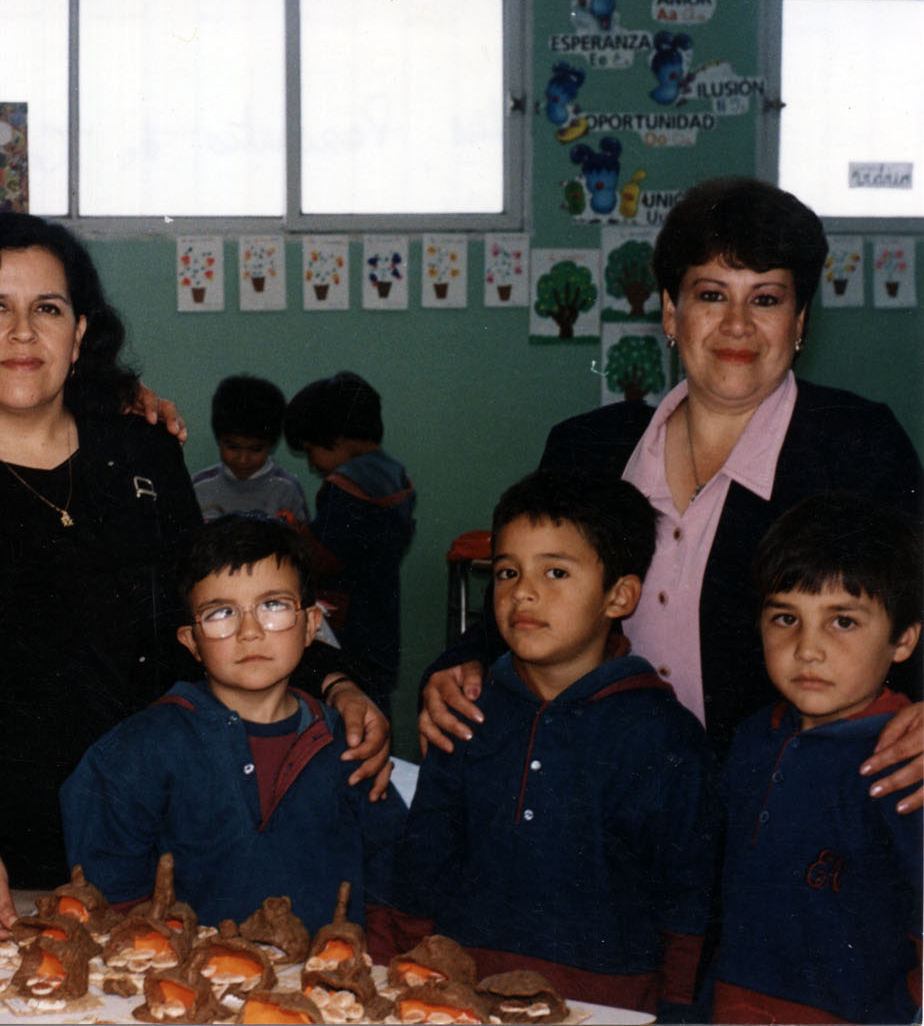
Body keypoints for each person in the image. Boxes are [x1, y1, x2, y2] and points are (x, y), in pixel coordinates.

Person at [0, 212, 391, 1019]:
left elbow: (214, 612)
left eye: (49, 308)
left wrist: (335, 679)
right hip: (3, 867)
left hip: (167, 859)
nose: (23, 331)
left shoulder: (141, 458)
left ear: (80, 332)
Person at [418, 176, 924, 812]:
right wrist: (457, 665)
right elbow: (533, 594)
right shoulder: (589, 449)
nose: (737, 324)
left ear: (799, 322)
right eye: (711, 295)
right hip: (598, 797)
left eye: (765, 299)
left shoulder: (858, 445)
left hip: (788, 807)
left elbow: (913, 605)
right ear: (669, 312)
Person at [396, 470, 717, 1018]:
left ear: (619, 595)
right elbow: (422, 867)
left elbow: (689, 904)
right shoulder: (465, 714)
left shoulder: (666, 737)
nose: (523, 591)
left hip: (608, 1005)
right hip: (459, 993)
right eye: (506, 572)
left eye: (556, 571)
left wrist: (678, 1011)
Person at [60, 514, 404, 933]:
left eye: (273, 605)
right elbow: (107, 895)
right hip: (183, 985)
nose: (249, 631)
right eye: (221, 612)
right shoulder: (141, 749)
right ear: (192, 642)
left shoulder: (350, 746)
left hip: (324, 986)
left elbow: (394, 878)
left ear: (311, 625)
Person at [712, 493, 921, 1024]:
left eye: (843, 622)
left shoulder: (905, 758)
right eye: (786, 618)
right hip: (734, 1004)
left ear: (903, 640)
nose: (807, 648)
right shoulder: (751, 739)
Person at [285, 371, 417, 717]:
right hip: (381, 615)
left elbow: (321, 555)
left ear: (334, 438)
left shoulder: (349, 487)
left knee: (344, 705)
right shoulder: (395, 475)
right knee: (376, 699)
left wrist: (291, 539)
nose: (312, 463)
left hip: (349, 624)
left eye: (311, 450)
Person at [192, 375, 310, 524]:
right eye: (232, 447)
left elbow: (302, 542)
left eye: (255, 449)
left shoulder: (287, 489)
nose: (243, 459)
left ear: (271, 445)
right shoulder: (199, 486)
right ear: (219, 440)